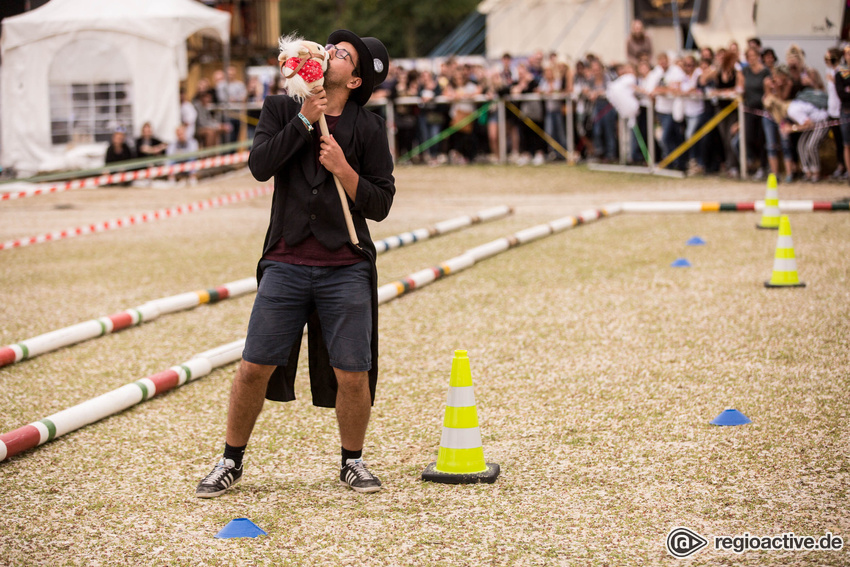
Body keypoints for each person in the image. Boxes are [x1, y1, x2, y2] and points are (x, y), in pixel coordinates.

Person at [195, 30, 394, 498]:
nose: (329, 54)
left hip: (346, 264)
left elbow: (381, 203)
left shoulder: (368, 127)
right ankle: (230, 459)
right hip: (285, 260)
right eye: (330, 49)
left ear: (356, 77)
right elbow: (260, 165)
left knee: (352, 371)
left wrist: (344, 169)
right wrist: (305, 119)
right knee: (253, 366)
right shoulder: (282, 107)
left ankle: (352, 461)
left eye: (341, 55)